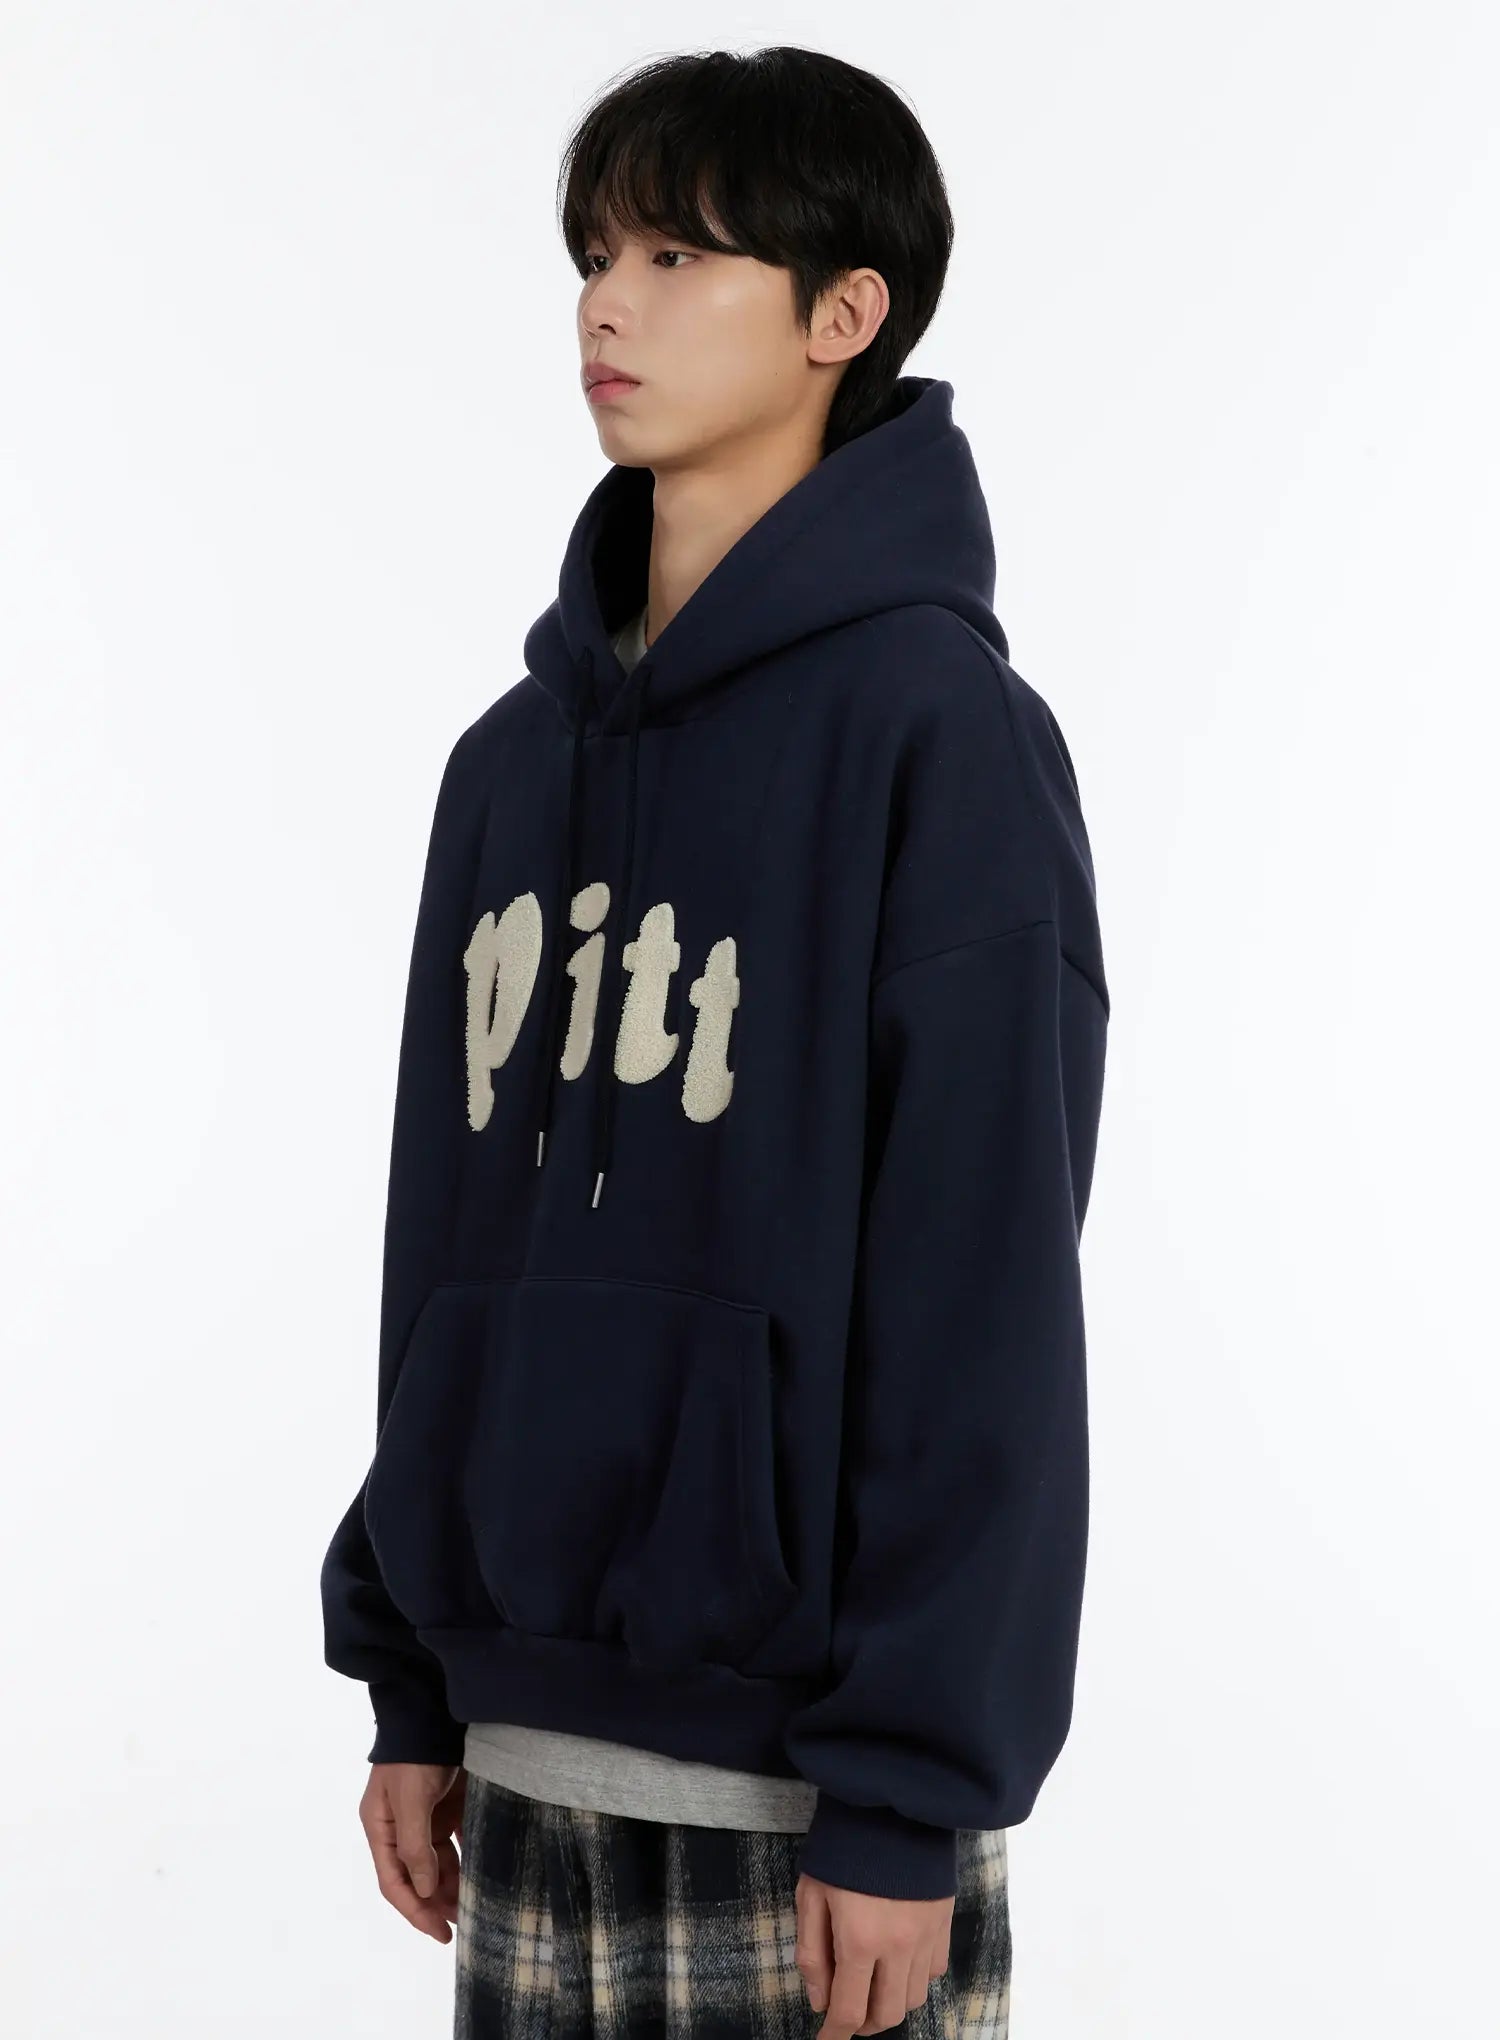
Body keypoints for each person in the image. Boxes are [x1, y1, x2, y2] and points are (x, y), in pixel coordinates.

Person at [320, 44, 1109, 2040]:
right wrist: (412, 1681)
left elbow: (984, 1294)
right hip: (522, 1764)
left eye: (679, 255)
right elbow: (440, 1241)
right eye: (595, 254)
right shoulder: (507, 768)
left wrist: (909, 1789)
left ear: (846, 314)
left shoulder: (944, 741)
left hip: (816, 1815)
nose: (608, 303)